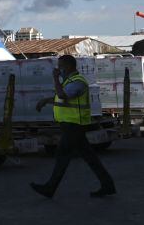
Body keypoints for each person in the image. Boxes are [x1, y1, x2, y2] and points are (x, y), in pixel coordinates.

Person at [31, 54, 117, 199]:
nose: (59, 69)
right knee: (89, 157)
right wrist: (46, 100)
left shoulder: (78, 82)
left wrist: (55, 79)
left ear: (69, 66)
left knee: (62, 155)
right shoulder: (69, 81)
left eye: (61, 66)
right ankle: (107, 184)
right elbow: (60, 97)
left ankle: (50, 188)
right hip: (70, 124)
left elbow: (63, 96)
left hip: (74, 125)